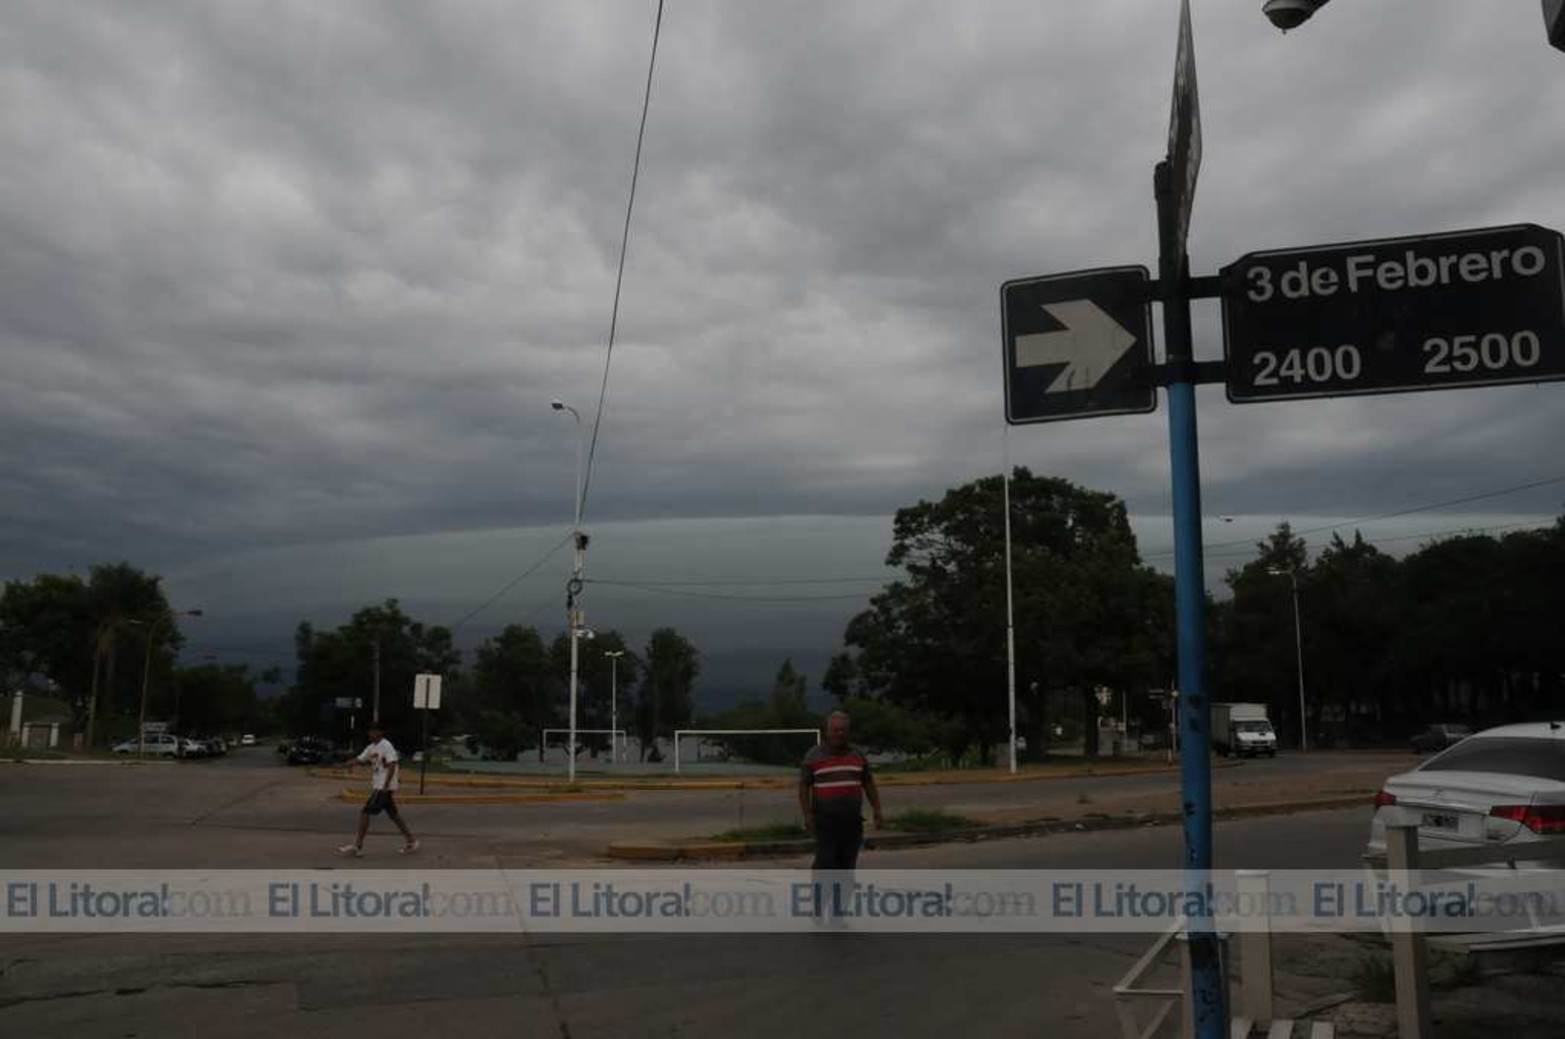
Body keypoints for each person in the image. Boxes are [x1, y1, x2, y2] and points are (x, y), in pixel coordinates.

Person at [798, 711, 884, 921]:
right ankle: (819, 905)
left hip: (852, 823)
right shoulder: (813, 756)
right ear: (827, 731)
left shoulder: (858, 755)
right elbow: (803, 787)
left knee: (846, 870)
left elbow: (868, 783)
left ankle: (838, 913)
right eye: (835, 730)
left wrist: (877, 810)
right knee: (827, 865)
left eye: (843, 730)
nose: (839, 734)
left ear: (849, 732)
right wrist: (808, 815)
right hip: (825, 823)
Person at [338, 724, 419, 857]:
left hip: (383, 787)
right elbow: (359, 759)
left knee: (365, 812)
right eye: (369, 731)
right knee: (394, 815)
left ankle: (357, 846)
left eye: (374, 731)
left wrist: (385, 786)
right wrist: (343, 765)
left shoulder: (386, 745)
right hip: (380, 786)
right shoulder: (371, 748)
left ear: (380, 732)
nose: (371, 734)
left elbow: (392, 764)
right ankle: (412, 841)